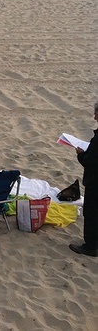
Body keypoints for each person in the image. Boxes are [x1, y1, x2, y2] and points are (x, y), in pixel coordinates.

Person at [70, 102, 98, 257]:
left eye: (96, 113)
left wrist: (80, 154)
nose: (94, 116)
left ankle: (90, 246)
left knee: (92, 213)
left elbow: (91, 163)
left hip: (95, 182)